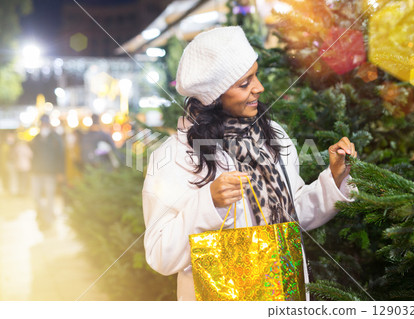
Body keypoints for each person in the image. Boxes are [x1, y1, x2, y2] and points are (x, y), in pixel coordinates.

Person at [142, 26, 358, 301]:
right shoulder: (173, 156)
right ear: (214, 96)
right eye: (244, 83)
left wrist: (335, 179)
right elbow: (160, 253)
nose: (259, 87)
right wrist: (209, 203)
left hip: (286, 295)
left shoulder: (272, 134)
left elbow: (293, 212)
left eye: (255, 75)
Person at [30, 114, 65, 228]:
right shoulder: (36, 138)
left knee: (50, 196)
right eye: (42, 123)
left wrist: (60, 172)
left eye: (45, 123)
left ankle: (49, 217)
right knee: (36, 196)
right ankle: (40, 214)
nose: (44, 125)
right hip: (36, 172)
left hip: (50, 172)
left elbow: (60, 155)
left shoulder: (55, 138)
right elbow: (32, 154)